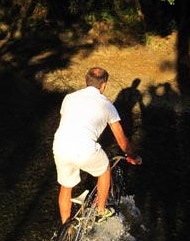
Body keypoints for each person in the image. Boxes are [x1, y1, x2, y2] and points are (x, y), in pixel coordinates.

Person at [52, 67, 143, 225]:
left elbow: (67, 122)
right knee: (105, 169)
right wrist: (134, 156)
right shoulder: (107, 105)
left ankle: (66, 230)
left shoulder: (69, 97)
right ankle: (101, 211)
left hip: (60, 146)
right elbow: (123, 142)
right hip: (84, 149)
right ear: (104, 85)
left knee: (65, 188)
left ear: (86, 81)